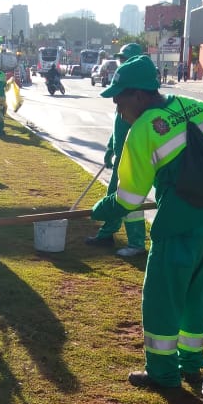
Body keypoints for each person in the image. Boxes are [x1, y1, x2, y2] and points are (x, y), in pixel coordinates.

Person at [90, 55, 203, 390]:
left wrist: (101, 209)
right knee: (195, 293)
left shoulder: (143, 129)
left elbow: (128, 199)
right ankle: (190, 361)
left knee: (161, 299)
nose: (117, 107)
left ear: (139, 95)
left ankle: (163, 373)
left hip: (176, 229)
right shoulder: (197, 107)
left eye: (119, 98)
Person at [85, 42, 147, 257]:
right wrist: (111, 147)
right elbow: (119, 123)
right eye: (121, 59)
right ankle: (106, 234)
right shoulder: (124, 87)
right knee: (115, 195)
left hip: (133, 158)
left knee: (129, 200)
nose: (121, 63)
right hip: (121, 154)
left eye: (125, 59)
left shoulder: (140, 93)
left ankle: (137, 243)